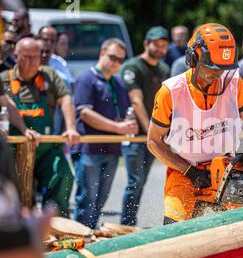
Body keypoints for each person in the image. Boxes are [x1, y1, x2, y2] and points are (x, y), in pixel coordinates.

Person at [148, 23, 243, 224]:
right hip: (184, 173)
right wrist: (189, 171)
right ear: (193, 59)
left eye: (224, 68)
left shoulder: (233, 81)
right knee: (174, 229)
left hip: (226, 170)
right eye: (212, 67)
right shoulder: (170, 91)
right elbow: (154, 142)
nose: (218, 74)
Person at [0, 38, 80, 217]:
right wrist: (22, 130)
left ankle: (55, 224)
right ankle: (16, 232)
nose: (31, 62)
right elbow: (7, 105)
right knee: (14, 191)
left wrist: (71, 127)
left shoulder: (49, 75)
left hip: (45, 147)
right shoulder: (4, 79)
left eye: (35, 57)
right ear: (16, 56)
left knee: (63, 174)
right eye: (26, 57)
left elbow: (66, 99)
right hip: (12, 149)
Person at [72, 38, 138, 229]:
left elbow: (121, 116)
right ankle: (79, 240)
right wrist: (118, 128)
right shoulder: (86, 79)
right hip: (89, 148)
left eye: (120, 60)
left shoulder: (118, 83)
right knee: (87, 200)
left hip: (111, 149)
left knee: (100, 201)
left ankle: (90, 238)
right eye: (113, 57)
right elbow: (84, 113)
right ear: (101, 54)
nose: (117, 63)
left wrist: (126, 126)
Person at [120, 26, 169, 226]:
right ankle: (125, 224)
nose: (160, 49)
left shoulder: (163, 70)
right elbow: (136, 101)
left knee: (142, 182)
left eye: (164, 46)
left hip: (153, 135)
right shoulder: (133, 67)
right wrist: (152, 131)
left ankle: (130, 223)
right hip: (135, 136)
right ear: (146, 44)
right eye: (156, 44)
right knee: (134, 182)